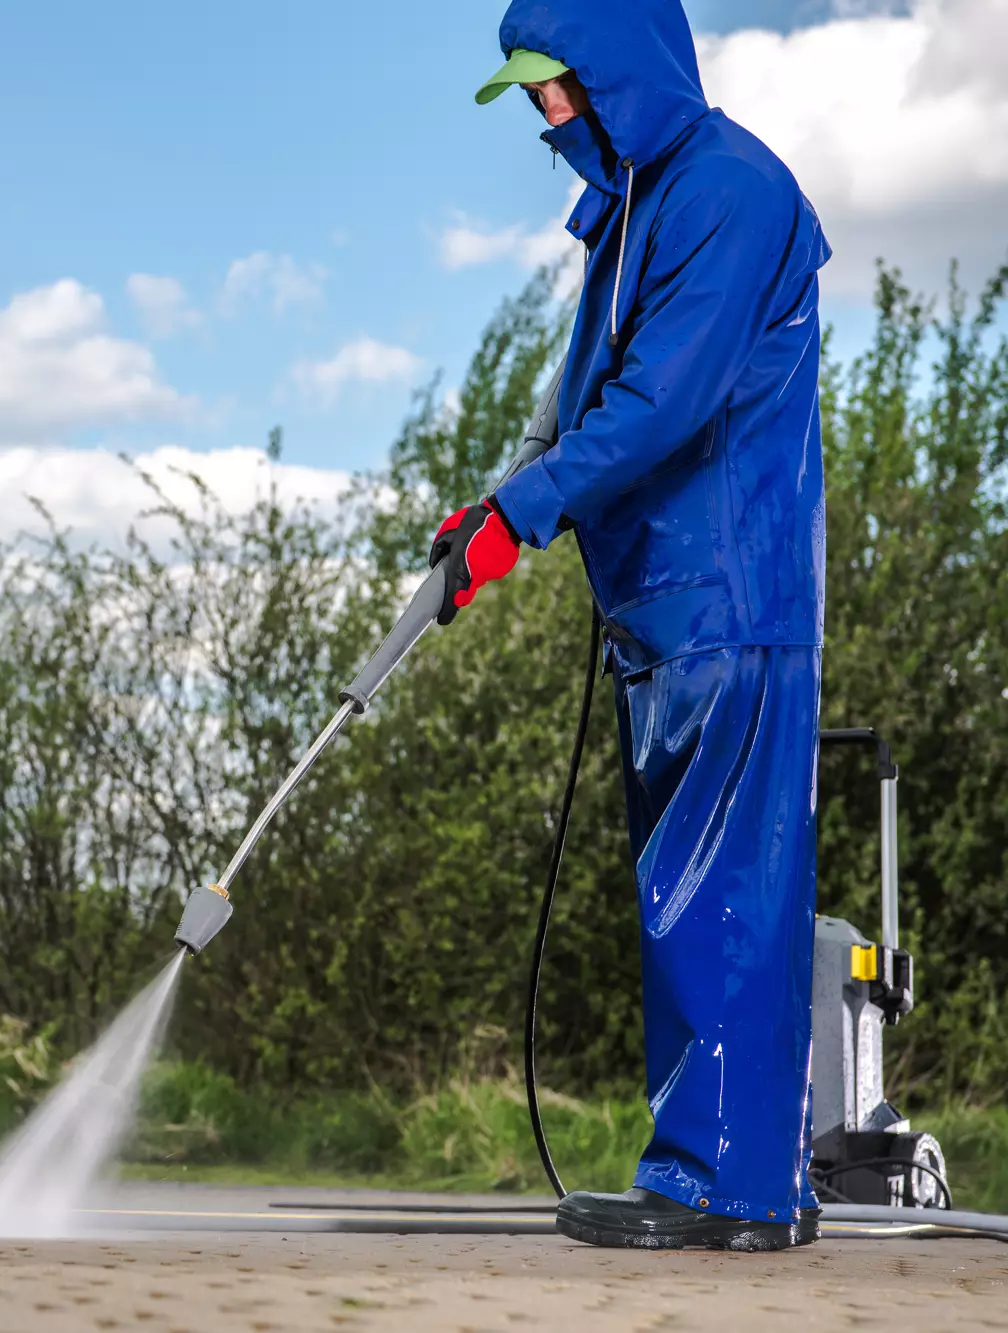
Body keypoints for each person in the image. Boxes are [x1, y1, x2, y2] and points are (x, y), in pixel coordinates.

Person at [429, 0, 832, 1252]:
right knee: (697, 893)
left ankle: (721, 1184)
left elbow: (658, 403)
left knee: (718, 896)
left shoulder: (724, 190)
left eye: (558, 87)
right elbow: (586, 410)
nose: (548, 117)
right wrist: (498, 506)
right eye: (533, 96)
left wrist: (521, 514)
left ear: (621, 72)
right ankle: (755, 1177)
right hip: (668, 607)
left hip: (724, 591)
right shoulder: (640, 209)